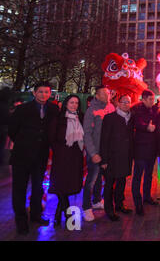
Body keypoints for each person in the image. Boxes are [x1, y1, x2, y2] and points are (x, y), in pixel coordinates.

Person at [8, 82, 59, 234]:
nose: (44, 95)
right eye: (41, 92)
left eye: (47, 92)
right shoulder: (22, 109)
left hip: (41, 156)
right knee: (19, 189)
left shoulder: (53, 109)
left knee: (38, 187)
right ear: (34, 93)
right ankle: (21, 221)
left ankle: (36, 215)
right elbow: (12, 130)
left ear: (50, 94)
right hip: (22, 156)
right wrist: (25, 142)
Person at [48, 95, 84, 226]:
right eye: (71, 102)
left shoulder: (80, 118)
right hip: (61, 156)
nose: (74, 105)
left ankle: (58, 213)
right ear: (66, 104)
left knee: (68, 186)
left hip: (75, 156)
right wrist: (58, 150)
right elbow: (51, 138)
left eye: (76, 103)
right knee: (61, 184)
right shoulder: (58, 119)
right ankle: (68, 214)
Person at [82, 86, 115, 221]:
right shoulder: (92, 110)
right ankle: (86, 207)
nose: (108, 95)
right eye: (104, 93)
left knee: (101, 178)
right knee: (91, 180)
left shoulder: (111, 108)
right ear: (97, 95)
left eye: (108, 93)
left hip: (106, 152)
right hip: (95, 151)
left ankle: (96, 200)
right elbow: (87, 134)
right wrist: (93, 152)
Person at [99, 95, 134, 221]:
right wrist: (104, 159)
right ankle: (109, 210)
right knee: (109, 184)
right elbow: (104, 139)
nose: (126, 104)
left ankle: (119, 205)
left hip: (125, 156)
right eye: (123, 102)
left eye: (128, 102)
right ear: (118, 103)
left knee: (121, 182)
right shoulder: (110, 118)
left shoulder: (131, 118)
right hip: (112, 157)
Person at [131, 90, 159, 215]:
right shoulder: (136, 109)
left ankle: (147, 197)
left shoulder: (153, 109)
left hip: (152, 148)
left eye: (153, 100)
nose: (152, 102)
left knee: (149, 175)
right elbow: (137, 123)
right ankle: (138, 204)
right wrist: (146, 127)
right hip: (140, 149)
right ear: (143, 99)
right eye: (150, 100)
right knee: (137, 176)